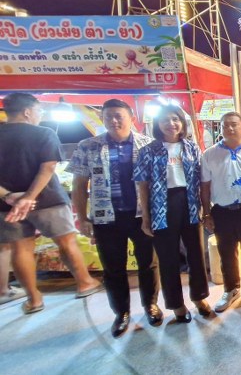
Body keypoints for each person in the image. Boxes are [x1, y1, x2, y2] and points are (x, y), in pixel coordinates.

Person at [0, 93, 103, 317]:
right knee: (66, 242)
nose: (40, 115)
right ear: (27, 111)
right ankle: (84, 283)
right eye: (39, 111)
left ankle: (33, 298)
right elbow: (48, 168)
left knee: (20, 248)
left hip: (8, 206)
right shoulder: (43, 133)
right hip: (48, 200)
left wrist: (9, 196)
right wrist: (29, 196)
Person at [67, 98, 158, 337]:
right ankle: (121, 312)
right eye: (108, 117)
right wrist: (83, 218)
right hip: (105, 217)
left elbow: (157, 182)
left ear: (131, 118)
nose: (114, 121)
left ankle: (150, 305)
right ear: (102, 118)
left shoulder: (148, 144)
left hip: (142, 216)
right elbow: (79, 185)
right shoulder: (88, 146)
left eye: (119, 116)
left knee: (148, 263)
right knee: (113, 268)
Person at [134, 105, 211, 323]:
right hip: (161, 206)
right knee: (168, 258)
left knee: (196, 254)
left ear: (182, 123)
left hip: (189, 204)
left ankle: (199, 297)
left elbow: (201, 180)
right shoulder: (148, 150)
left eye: (175, 119)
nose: (171, 124)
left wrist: (205, 208)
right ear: (158, 124)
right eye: (165, 120)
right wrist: (146, 217)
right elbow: (142, 185)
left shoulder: (191, 147)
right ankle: (176, 304)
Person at [200, 111, 241, 313]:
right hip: (222, 211)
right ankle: (231, 289)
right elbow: (205, 186)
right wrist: (207, 213)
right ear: (220, 128)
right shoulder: (210, 154)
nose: (229, 128)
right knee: (226, 252)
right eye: (225, 125)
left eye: (234, 124)